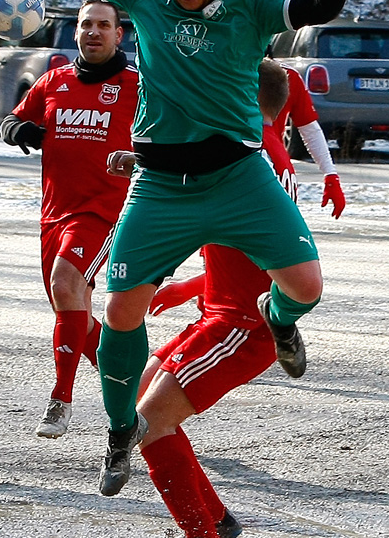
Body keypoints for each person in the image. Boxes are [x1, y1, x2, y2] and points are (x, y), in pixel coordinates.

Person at [0, 0, 360, 496]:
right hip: (160, 184)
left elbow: (317, 8)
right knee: (118, 314)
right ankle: (118, 433)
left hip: (239, 175)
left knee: (306, 288)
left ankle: (279, 322)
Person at [106, 59, 322, 537]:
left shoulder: (252, 159)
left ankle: (202, 531)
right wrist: (195, 286)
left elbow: (276, 264)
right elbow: (248, 251)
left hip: (242, 327)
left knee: (149, 422)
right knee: (140, 398)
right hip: (221, 315)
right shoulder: (252, 154)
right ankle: (218, 521)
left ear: (240, 96)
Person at [1, 0, 139, 439]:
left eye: (103, 25)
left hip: (104, 211)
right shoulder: (54, 81)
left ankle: (60, 401)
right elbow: (13, 120)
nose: (93, 33)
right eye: (85, 25)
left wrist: (141, 158)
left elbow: (171, 131)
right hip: (53, 212)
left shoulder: (138, 85)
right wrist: (17, 130)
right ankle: (132, 391)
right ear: (76, 32)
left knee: (66, 285)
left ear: (120, 34)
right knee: (71, 308)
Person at [273, 61, 346, 218]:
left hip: (274, 170)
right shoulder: (219, 72)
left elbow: (310, 129)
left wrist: (331, 174)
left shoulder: (286, 76)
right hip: (230, 168)